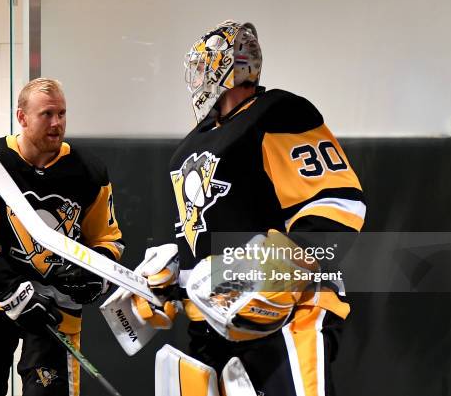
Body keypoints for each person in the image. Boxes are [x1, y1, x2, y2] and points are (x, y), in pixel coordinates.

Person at [131, 20, 366, 395]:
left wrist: (277, 274)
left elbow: (337, 204)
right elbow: (201, 245)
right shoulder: (188, 148)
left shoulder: (279, 113)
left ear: (220, 68)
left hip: (284, 318)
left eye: (200, 68)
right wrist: (169, 284)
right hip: (211, 324)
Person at [0, 78, 124, 396]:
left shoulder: (89, 170)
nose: (57, 123)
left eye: (61, 113)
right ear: (22, 117)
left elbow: (109, 239)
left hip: (56, 311)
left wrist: (94, 273)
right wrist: (14, 292)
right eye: (46, 114)